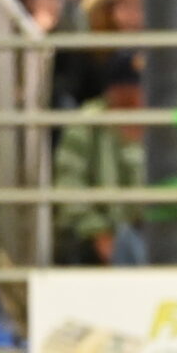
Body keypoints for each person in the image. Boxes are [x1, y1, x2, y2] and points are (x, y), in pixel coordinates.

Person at [51, 66, 149, 266]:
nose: (134, 99)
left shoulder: (166, 120)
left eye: (138, 90)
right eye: (126, 93)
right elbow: (69, 187)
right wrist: (98, 232)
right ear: (112, 91)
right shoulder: (86, 124)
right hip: (94, 233)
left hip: (154, 230)